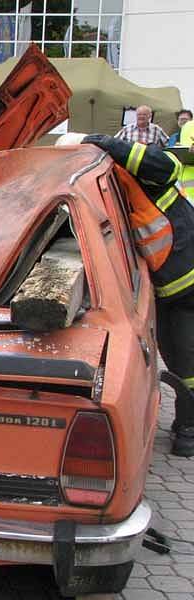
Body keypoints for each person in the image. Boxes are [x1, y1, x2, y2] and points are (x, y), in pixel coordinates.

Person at [57, 132, 194, 456]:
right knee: (177, 357)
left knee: (186, 363)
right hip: (168, 286)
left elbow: (169, 165)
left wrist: (103, 141)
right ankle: (185, 425)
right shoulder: (105, 184)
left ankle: (189, 430)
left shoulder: (144, 173)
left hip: (187, 283)